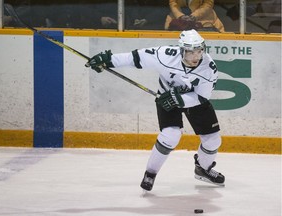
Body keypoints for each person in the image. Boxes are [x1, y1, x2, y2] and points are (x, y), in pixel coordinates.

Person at [87, 29, 225, 191]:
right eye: (190, 52)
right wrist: (108, 60)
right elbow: (135, 58)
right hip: (166, 98)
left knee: (213, 140)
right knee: (170, 136)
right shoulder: (164, 55)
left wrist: (179, 99)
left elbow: (201, 97)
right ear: (181, 50)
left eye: (199, 51)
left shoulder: (209, 68)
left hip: (193, 100)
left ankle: (203, 169)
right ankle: (150, 173)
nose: (196, 56)